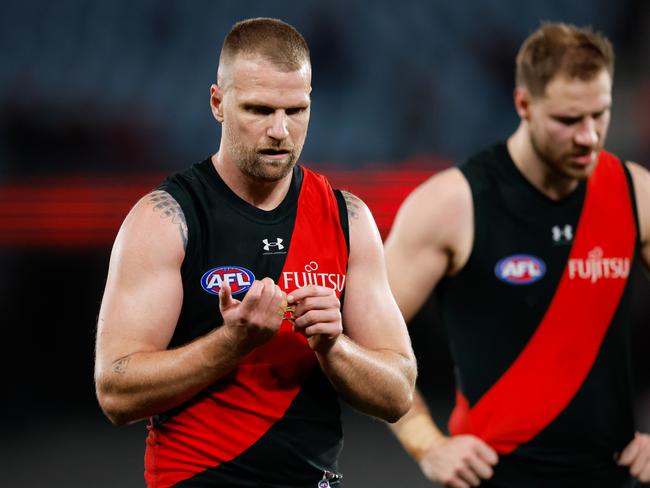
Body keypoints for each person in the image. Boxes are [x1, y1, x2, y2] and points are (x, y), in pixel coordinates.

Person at [94, 17, 416, 488]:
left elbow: (398, 392)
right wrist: (233, 342)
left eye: (296, 110)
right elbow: (115, 392)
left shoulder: (347, 219)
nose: (281, 131)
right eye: (260, 109)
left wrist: (334, 346)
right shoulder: (165, 219)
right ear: (218, 103)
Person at [385, 22, 650, 488]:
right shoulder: (453, 204)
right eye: (568, 120)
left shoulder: (636, 194)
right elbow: (366, 338)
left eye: (600, 114)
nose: (589, 136)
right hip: (493, 481)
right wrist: (426, 443)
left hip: (614, 480)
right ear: (524, 104)